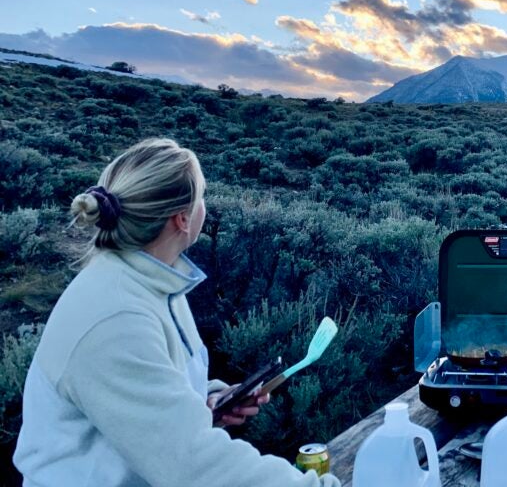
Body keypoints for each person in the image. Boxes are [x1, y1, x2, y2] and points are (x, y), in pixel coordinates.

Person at [14, 138, 340, 487]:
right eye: (201, 196)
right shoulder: (116, 318)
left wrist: (206, 403)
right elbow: (194, 465)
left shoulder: (153, 280)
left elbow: (143, 404)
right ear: (182, 219)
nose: (205, 205)